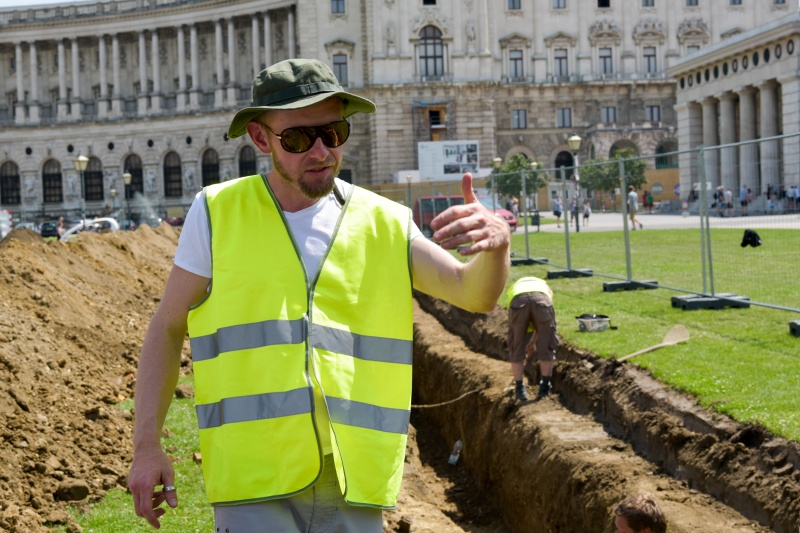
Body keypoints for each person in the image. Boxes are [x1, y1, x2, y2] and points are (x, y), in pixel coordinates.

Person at [127, 58, 511, 532]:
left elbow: (472, 294)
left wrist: (495, 248)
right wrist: (147, 445)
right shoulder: (217, 212)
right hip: (253, 482)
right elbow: (167, 326)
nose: (320, 151)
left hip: (354, 481)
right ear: (261, 138)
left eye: (333, 133)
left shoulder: (384, 220)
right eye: (297, 138)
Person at [505, 276, 558, 401]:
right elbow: (541, 328)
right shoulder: (544, 288)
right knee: (547, 343)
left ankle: (519, 388)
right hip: (541, 300)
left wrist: (531, 342)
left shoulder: (514, 289)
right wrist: (534, 341)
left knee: (516, 345)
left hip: (518, 301)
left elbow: (518, 327)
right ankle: (544, 386)